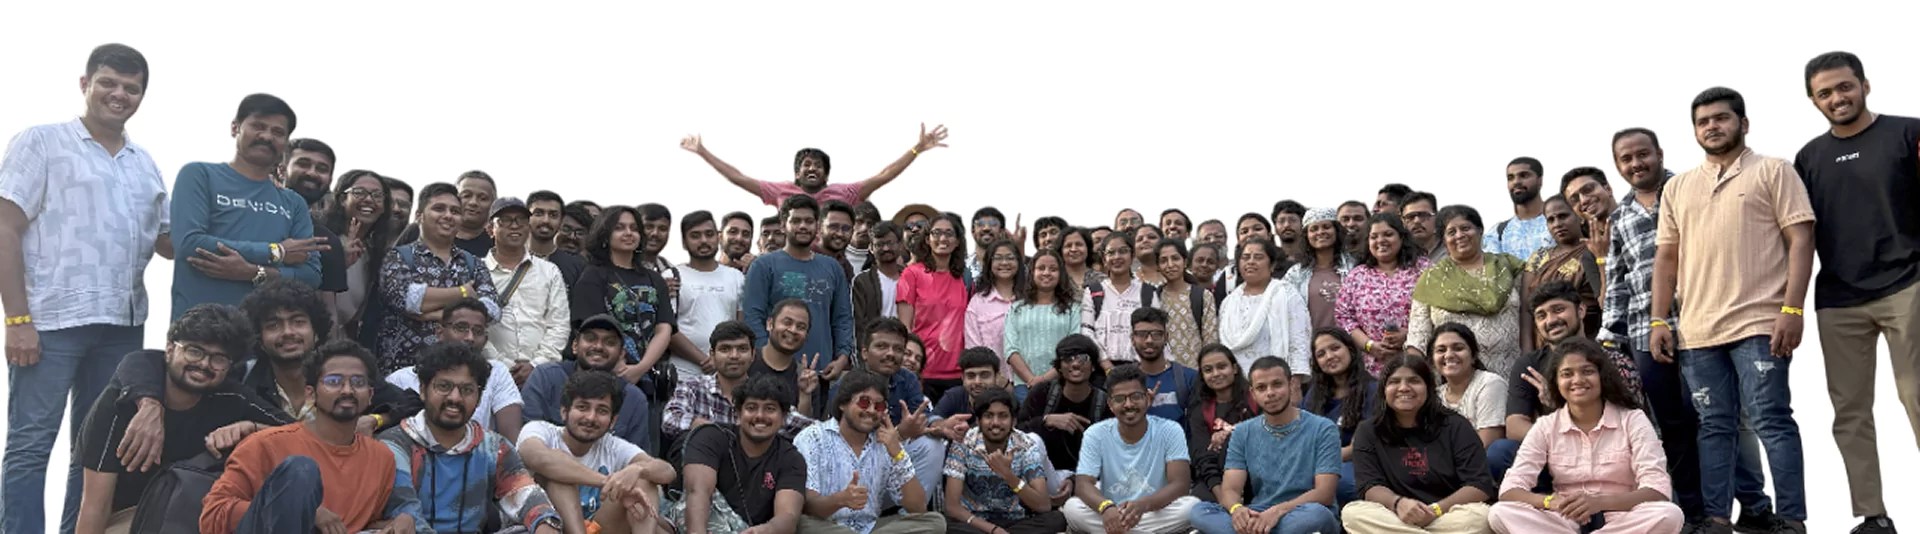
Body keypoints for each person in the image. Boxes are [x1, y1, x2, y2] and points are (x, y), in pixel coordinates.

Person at [1652, 87, 1815, 534]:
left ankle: (1791, 519)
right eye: (1703, 121)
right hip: (1698, 330)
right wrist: (1659, 318)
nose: (1712, 127)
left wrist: (1793, 309)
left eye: (1721, 118)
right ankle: (1718, 519)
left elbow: (1801, 239)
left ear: (1743, 123)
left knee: (1771, 419)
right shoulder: (1678, 187)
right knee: (1714, 425)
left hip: (1760, 322)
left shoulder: (1774, 170)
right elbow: (1667, 257)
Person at [1794, 51, 1920, 534]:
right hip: (1839, 298)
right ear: (1813, 101)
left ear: (1864, 86)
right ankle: (1873, 516)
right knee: (1849, 411)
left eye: (1844, 87)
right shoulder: (1808, 158)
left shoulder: (1908, 133)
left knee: (1916, 394)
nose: (1837, 98)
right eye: (1824, 93)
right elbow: (1800, 235)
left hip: (1908, 283)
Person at [106, 280, 421, 466]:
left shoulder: (343, 375)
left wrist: (375, 419)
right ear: (259, 336)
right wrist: (149, 404)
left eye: (298, 322)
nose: (287, 332)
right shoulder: (240, 378)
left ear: (316, 331)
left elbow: (412, 403)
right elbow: (144, 361)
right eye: (273, 325)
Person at [74, 305, 293, 534]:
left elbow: (300, 434)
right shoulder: (119, 406)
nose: (204, 364)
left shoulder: (232, 398)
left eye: (218, 359)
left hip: (203, 516)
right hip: (133, 518)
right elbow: (95, 507)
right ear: (170, 349)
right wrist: (149, 405)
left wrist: (252, 429)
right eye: (194, 351)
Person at [199, 340, 421, 534]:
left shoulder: (381, 457)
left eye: (358, 382)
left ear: (370, 395)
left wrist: (401, 520)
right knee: (301, 470)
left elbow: (362, 524)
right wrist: (297, 509)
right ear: (311, 394)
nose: (347, 390)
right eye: (334, 381)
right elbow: (212, 516)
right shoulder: (264, 444)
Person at [1486, 339, 1684, 534]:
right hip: (1565, 520)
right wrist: (1549, 501)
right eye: (1567, 374)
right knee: (1500, 513)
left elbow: (1657, 489)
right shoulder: (1546, 426)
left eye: (1587, 371)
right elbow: (1510, 490)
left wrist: (1599, 502)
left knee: (1669, 514)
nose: (1578, 380)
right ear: (1556, 382)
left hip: (1623, 517)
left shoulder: (1632, 419)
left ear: (1602, 377)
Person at [379, 341, 565, 533]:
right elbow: (405, 510)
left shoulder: (493, 447)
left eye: (467, 390)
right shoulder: (395, 444)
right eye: (443, 386)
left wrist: (545, 523)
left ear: (479, 397)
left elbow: (525, 494)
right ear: (423, 390)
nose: (455, 398)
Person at [169, 93, 325, 320]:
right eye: (258, 126)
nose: (267, 136)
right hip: (200, 330)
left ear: (285, 143)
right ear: (235, 128)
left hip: (266, 333)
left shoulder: (294, 203)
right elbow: (189, 244)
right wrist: (276, 252)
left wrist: (253, 273)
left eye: (278, 132)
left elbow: (311, 276)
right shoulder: (199, 175)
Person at [1489, 282, 1642, 483]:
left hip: (1606, 455)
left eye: (1558, 310)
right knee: (1500, 452)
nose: (1551, 320)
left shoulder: (1613, 360)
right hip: (1555, 454)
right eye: (1541, 315)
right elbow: (1515, 426)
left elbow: (1628, 425)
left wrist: (1561, 405)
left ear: (1581, 310)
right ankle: (1549, 499)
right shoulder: (1530, 365)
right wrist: (1560, 439)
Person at [1340, 354, 1497, 534]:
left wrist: (1435, 510)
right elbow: (1369, 486)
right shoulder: (1368, 431)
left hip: (1446, 515)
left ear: (1428, 387)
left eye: (1414, 381)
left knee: (1481, 517)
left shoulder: (1456, 425)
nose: (1403, 388)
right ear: (1383, 390)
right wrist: (1399, 504)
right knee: (1353, 513)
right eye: (1394, 382)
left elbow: (1478, 484)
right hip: (1396, 515)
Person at [1188, 357, 1341, 534]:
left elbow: (1324, 493)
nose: (1270, 393)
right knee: (1199, 511)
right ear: (1253, 393)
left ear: (1291, 385)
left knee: (1317, 515)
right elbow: (1230, 489)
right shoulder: (1243, 432)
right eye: (1261, 388)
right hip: (1259, 512)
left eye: (1277, 384)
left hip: (1301, 512)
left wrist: (1278, 511)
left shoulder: (1323, 428)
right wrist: (1237, 510)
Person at [519, 371, 676, 534]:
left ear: (613, 421)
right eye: (582, 407)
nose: (591, 417)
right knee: (559, 472)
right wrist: (609, 482)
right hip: (549, 526)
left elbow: (668, 472)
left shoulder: (613, 446)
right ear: (564, 412)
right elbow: (537, 457)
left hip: (601, 526)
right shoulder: (541, 430)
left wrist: (639, 469)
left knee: (644, 480)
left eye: (602, 411)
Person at [795, 370, 944, 534]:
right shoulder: (813, 437)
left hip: (870, 528)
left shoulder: (886, 442)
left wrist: (898, 453)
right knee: (802, 523)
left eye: (879, 406)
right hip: (825, 526)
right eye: (864, 402)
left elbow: (918, 507)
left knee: (935, 522)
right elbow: (808, 506)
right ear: (842, 404)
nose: (872, 410)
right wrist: (840, 500)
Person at [376, 181, 501, 373]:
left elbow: (492, 310)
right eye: (439, 209)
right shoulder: (398, 257)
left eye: (455, 211)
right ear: (419, 216)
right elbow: (406, 299)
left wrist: (428, 313)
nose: (448, 216)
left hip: (461, 374)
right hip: (405, 371)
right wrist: (463, 292)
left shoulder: (474, 263)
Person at [746, 195, 856, 409]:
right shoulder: (763, 265)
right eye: (796, 220)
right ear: (783, 225)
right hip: (772, 373)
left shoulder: (832, 268)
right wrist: (765, 360)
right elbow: (752, 316)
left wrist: (842, 357)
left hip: (819, 372)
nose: (803, 226)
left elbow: (842, 318)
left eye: (809, 221)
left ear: (817, 226)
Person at [1062, 362, 1199, 534]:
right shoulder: (1096, 433)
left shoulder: (1170, 430)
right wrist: (1105, 507)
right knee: (1072, 508)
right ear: (1110, 404)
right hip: (1112, 510)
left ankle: (1118, 530)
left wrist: (1144, 505)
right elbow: (1083, 484)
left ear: (1147, 399)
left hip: (1154, 509)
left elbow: (1180, 484)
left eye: (1136, 396)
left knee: (1191, 507)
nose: (1128, 404)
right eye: (1120, 399)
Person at [667, 375, 810, 534]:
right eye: (751, 408)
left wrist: (766, 530)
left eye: (770, 409)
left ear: (783, 418)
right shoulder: (710, 437)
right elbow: (697, 492)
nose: (760, 416)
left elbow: (788, 516)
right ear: (738, 414)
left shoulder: (792, 459)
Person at [683, 125, 949, 207]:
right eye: (806, 165)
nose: (812, 169)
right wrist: (703, 152)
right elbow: (739, 177)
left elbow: (884, 175)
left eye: (818, 166)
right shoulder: (780, 191)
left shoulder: (844, 193)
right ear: (796, 173)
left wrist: (917, 149)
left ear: (826, 174)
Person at [1408, 205, 1530, 377]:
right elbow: (1418, 336)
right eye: (1451, 232)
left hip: (1511, 373)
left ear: (1480, 231)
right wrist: (1413, 375)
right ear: (1444, 241)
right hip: (1453, 378)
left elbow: (1527, 317)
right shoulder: (1431, 280)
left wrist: (1528, 360)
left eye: (1465, 228)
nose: (1459, 235)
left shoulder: (1508, 268)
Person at [385, 298, 526, 440]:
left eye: (478, 331)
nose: (470, 337)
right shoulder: (400, 379)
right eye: (461, 328)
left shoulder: (496, 372)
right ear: (439, 332)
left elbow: (512, 438)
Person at [572, 205, 676, 390]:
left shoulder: (654, 278)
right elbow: (592, 329)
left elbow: (664, 328)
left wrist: (641, 368)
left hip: (649, 376)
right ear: (605, 234)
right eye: (619, 228)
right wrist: (619, 367)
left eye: (634, 228)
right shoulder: (593, 276)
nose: (629, 233)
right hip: (605, 374)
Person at [664, 321, 816, 444]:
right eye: (725, 349)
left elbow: (809, 429)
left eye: (742, 349)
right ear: (712, 355)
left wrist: (804, 395)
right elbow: (670, 420)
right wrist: (711, 429)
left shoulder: (767, 392)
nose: (734, 356)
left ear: (753, 354)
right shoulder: (693, 387)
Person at [523, 314, 656, 451]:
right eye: (590, 339)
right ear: (575, 345)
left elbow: (638, 459)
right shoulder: (546, 377)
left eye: (610, 342)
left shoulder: (634, 399)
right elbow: (526, 439)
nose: (598, 346)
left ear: (621, 354)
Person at [943, 389, 1068, 534]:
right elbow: (952, 507)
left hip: (1014, 521)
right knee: (944, 524)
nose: (995, 423)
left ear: (1013, 421)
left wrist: (1008, 475)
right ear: (978, 421)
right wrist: (993, 530)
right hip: (973, 521)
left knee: (1056, 519)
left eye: (1003, 416)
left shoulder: (1026, 445)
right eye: (988, 416)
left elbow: (1043, 505)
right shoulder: (963, 443)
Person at [485, 197, 572, 385]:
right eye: (505, 220)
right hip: (490, 373)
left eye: (521, 220)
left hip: (542, 375)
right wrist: (503, 365)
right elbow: (474, 326)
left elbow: (559, 324)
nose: (514, 226)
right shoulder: (477, 271)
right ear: (490, 229)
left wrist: (536, 364)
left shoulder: (549, 271)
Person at [1336, 213, 1430, 376]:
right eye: (1374, 237)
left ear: (1401, 237)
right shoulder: (1357, 275)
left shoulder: (1423, 269)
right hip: (1371, 369)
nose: (1380, 241)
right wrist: (1369, 345)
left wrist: (1410, 335)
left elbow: (1437, 311)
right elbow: (1344, 317)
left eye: (1388, 234)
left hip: (1418, 363)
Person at [1301, 327, 1379, 505]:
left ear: (1350, 349)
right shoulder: (1314, 395)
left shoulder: (1373, 391)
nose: (1329, 356)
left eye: (1335, 348)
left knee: (1339, 483)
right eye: (1321, 354)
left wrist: (1317, 462)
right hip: (1318, 464)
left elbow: (1358, 447)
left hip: (1357, 463)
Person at [1017, 334, 1107, 485]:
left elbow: (1110, 455)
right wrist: (1046, 421)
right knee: (1033, 439)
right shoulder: (1042, 393)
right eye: (1068, 359)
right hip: (1044, 476)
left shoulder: (1105, 402)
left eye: (1083, 358)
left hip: (1087, 480)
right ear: (1059, 367)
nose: (1075, 364)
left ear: (1093, 366)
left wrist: (1073, 481)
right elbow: (1017, 433)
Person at [900, 212, 971, 399]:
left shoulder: (964, 277)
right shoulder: (911, 274)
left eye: (949, 233)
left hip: (958, 372)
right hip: (923, 371)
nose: (943, 238)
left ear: (957, 242)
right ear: (927, 239)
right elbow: (905, 329)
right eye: (936, 233)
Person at [1218, 238, 1312, 378]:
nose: (1251, 262)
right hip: (1237, 383)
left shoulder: (1286, 294)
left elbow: (1299, 340)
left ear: (1272, 265)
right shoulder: (1228, 303)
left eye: (1258, 257)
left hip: (1277, 381)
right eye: (1245, 257)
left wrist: (1296, 380)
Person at [671, 210, 746, 380]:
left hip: (725, 375)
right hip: (683, 374)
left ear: (718, 237)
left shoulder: (736, 277)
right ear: (684, 242)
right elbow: (667, 329)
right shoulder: (672, 276)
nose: (704, 240)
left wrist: (724, 359)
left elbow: (740, 325)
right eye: (695, 236)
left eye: (709, 234)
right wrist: (704, 360)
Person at [320, 169, 397, 333]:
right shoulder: (322, 239)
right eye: (359, 192)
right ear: (342, 199)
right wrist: (338, 264)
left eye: (377, 195)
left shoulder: (374, 252)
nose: (368, 199)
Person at [279, 139, 348, 314]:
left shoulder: (328, 241)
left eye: (322, 169)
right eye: (303, 164)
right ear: (282, 170)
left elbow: (328, 310)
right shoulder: (249, 215)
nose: (312, 173)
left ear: (330, 180)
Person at [1520, 195, 1601, 343]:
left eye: (1563, 216)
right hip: (1544, 342)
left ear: (1580, 216)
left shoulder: (1596, 250)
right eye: (1551, 220)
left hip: (1588, 338)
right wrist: (1527, 348)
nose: (1557, 224)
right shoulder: (1539, 257)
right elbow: (1526, 311)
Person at [1004, 249, 1083, 399]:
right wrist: (1031, 380)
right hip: (1024, 385)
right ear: (1032, 272)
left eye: (1053, 269)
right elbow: (1010, 349)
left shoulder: (1073, 309)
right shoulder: (1016, 309)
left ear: (1061, 274)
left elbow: (1074, 348)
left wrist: (1045, 379)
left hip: (1063, 384)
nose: (1047, 273)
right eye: (1041, 268)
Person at [1184, 344, 1256, 504]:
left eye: (1222, 367)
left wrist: (1231, 433)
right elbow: (1203, 458)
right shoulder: (1199, 410)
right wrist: (1224, 498)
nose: (1216, 374)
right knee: (1193, 506)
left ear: (1234, 368)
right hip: (1217, 480)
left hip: (1255, 475)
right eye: (1208, 370)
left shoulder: (1255, 399)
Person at [1430, 323, 1508, 448]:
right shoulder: (1435, 396)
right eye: (1441, 350)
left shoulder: (1490, 384)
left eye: (1458, 348)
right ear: (1432, 361)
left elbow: (1487, 444)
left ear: (1474, 356)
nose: (1449, 355)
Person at [1083, 232, 1151, 368]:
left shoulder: (1148, 292)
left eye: (1123, 251)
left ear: (1132, 256)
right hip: (1101, 370)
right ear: (1104, 259)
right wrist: (1106, 365)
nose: (1117, 257)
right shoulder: (1093, 291)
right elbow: (1087, 331)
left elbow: (1154, 330)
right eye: (1111, 253)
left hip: (1140, 368)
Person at [1281, 207, 1356, 331]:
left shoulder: (1355, 267)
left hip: (1350, 341)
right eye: (1314, 229)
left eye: (1326, 227)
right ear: (1306, 236)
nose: (1320, 232)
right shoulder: (1295, 274)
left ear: (1336, 231)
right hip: (1310, 341)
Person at [1153, 239, 1220, 368]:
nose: (1170, 265)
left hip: (1195, 372)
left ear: (1184, 262)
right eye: (1164, 261)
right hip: (1164, 371)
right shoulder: (1155, 298)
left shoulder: (1203, 296)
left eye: (1175, 258)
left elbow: (1210, 341)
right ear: (1158, 266)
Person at [1129, 307, 1200, 424]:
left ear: (1166, 337)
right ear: (1132, 339)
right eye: (1142, 334)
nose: (1149, 340)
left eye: (1156, 334)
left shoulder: (1189, 378)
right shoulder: (1123, 380)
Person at [965, 240, 1023, 377]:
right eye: (998, 258)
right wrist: (998, 380)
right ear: (989, 263)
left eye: (1010, 258)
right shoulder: (977, 303)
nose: (1004, 263)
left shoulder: (1030, 300)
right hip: (992, 382)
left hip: (1030, 380)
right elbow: (974, 349)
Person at [755, 299, 821, 417]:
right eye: (787, 323)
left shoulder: (806, 378)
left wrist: (805, 395)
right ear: (770, 324)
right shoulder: (745, 362)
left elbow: (808, 426)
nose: (793, 330)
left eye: (801, 327)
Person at [1481, 157, 1553, 259]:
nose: (1516, 182)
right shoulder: (1497, 233)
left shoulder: (1560, 222)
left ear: (1540, 180)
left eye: (1524, 175)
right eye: (1510, 178)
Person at [854, 221, 907, 346]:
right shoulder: (862, 281)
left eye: (890, 243)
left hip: (907, 346)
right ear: (871, 248)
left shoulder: (912, 278)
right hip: (876, 348)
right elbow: (859, 324)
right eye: (880, 244)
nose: (886, 248)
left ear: (900, 245)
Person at [526, 190, 588, 287]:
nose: (546, 220)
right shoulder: (506, 258)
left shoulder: (578, 266)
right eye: (539, 213)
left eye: (553, 215)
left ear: (561, 221)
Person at [1398, 192, 1446, 261]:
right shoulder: (1397, 256)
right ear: (1402, 221)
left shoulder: (1453, 251)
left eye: (1423, 215)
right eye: (1410, 217)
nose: (1417, 221)